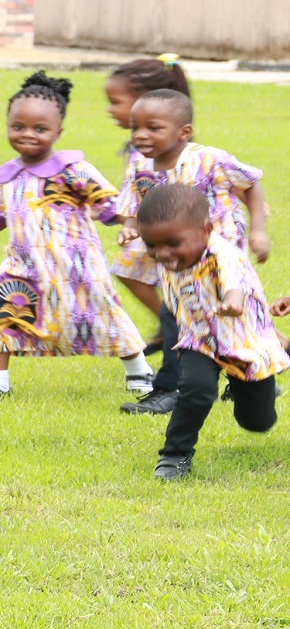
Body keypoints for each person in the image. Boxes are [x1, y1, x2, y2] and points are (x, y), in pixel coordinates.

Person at [0, 72, 152, 398]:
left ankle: (139, 371)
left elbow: (108, 204)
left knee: (103, 315)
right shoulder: (10, 175)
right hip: (23, 268)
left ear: (58, 132)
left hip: (76, 268)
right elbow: (0, 213)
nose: (27, 134)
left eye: (40, 129)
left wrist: (131, 223)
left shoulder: (73, 170)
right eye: (18, 127)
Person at [115, 87, 276, 414]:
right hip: (176, 262)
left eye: (153, 128)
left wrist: (258, 230)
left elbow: (250, 184)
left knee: (220, 317)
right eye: (136, 128)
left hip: (220, 258)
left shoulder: (210, 159)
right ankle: (222, 379)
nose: (141, 135)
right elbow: (133, 206)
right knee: (180, 315)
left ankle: (177, 388)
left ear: (184, 132)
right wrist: (130, 226)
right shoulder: (140, 168)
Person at [136, 185, 287, 480]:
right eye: (151, 245)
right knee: (196, 390)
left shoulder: (224, 255)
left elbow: (235, 284)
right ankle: (174, 456)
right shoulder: (175, 253)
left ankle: (254, 374)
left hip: (243, 340)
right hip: (201, 340)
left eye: (172, 243)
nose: (162, 254)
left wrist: (232, 301)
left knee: (257, 422)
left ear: (205, 230)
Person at [104, 55, 191, 415]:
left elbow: (238, 182)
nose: (110, 110)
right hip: (155, 237)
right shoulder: (140, 153)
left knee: (203, 311)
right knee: (186, 312)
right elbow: (134, 191)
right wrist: (128, 224)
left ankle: (266, 360)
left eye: (116, 102)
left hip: (187, 244)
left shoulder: (185, 153)